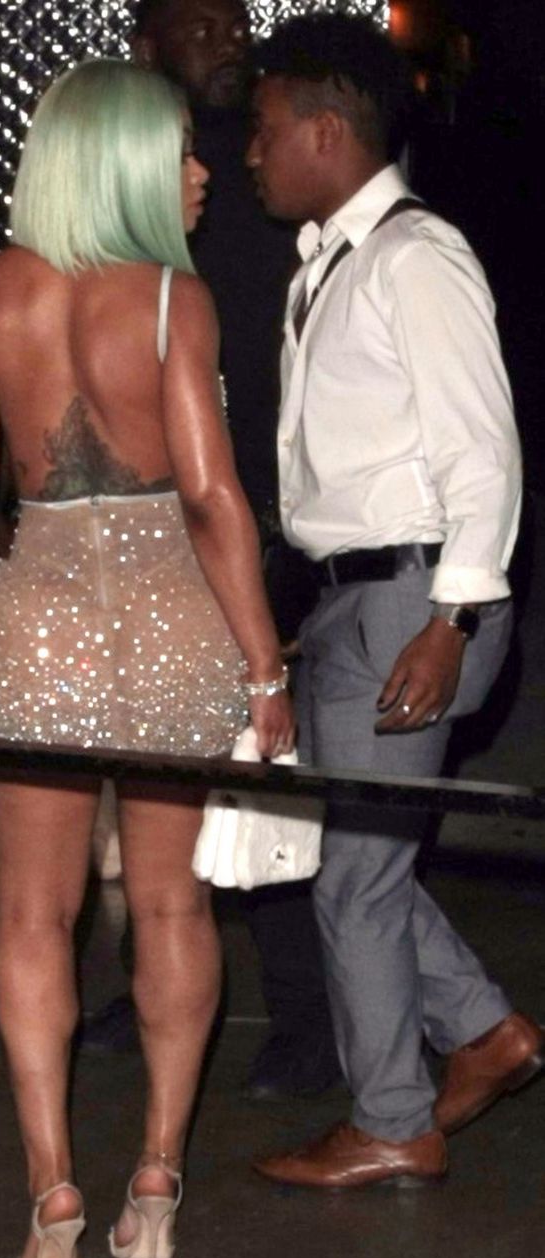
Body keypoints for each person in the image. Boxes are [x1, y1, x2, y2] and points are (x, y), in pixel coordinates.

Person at [0, 59, 293, 1258]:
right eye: (180, 151)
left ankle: (51, 1193)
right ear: (124, 162)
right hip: (173, 624)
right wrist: (264, 668)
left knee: (32, 917)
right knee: (173, 909)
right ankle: (155, 1179)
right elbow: (211, 495)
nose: (202, 171)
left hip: (33, 624)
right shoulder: (173, 299)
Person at [243, 13, 541, 1189]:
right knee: (360, 860)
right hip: (359, 598)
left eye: (267, 129)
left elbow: (486, 455)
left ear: (327, 130)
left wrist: (450, 621)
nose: (252, 151)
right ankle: (485, 1031)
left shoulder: (417, 257)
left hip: (417, 598)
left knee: (355, 880)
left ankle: (392, 1121)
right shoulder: (334, 260)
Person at [81, 0, 341, 1105]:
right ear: (148, 50)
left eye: (236, 23)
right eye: (203, 28)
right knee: (160, 772)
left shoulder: (263, 172)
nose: (230, 41)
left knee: (259, 770)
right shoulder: (143, 186)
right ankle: (154, 981)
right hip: (158, 520)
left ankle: (306, 1018)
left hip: (261, 516)